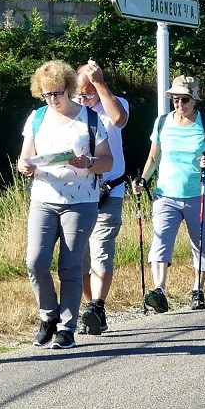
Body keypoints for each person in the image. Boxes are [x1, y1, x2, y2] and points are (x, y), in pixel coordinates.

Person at [17, 61, 114, 348]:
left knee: (71, 266)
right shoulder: (36, 118)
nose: (52, 99)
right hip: (43, 198)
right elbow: (25, 157)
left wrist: (90, 162)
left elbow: (107, 162)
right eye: (46, 94)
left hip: (81, 200)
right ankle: (48, 316)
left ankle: (67, 327)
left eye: (57, 93)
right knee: (35, 262)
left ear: (69, 89)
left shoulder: (91, 120)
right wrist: (25, 166)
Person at [132, 75, 205, 313]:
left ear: (194, 101)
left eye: (184, 99)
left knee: (201, 243)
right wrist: (143, 179)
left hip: (200, 193)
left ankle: (197, 289)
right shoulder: (162, 122)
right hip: (166, 194)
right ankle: (159, 290)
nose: (179, 104)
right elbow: (154, 156)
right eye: (175, 99)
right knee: (160, 238)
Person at [74, 61, 130, 335]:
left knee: (102, 249)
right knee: (81, 255)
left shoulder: (114, 103)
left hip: (111, 190)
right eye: (78, 94)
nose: (83, 99)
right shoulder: (72, 111)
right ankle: (90, 309)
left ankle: (98, 304)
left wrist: (99, 84)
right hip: (80, 192)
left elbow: (119, 120)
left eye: (87, 93)